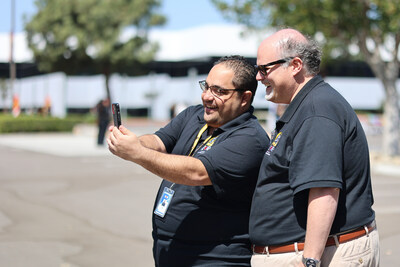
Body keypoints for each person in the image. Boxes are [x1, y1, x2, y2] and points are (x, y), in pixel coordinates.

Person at [107, 55, 269, 266]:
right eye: (206, 87)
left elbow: (196, 172)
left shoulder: (250, 138)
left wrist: (137, 153)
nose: (207, 97)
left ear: (245, 98)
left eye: (219, 91)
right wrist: (133, 142)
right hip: (172, 251)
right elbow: (159, 140)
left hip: (215, 257)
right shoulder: (195, 115)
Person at [249, 28, 379, 267]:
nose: (258, 77)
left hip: (322, 254)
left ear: (295, 65)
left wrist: (310, 260)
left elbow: (323, 190)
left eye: (264, 69)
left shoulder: (316, 111)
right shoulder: (308, 105)